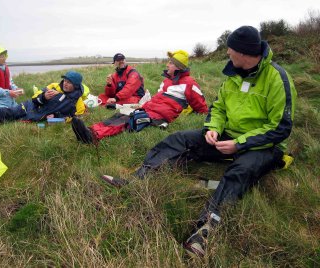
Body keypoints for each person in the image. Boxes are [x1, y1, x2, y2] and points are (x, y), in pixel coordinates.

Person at [100, 26, 297, 258]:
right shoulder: (232, 75)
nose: (228, 54)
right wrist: (213, 128)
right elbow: (218, 108)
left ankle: (207, 228)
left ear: (244, 52)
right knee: (178, 139)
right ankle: (138, 179)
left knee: (240, 170)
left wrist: (239, 143)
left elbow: (280, 128)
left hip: (263, 145)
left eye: (230, 50)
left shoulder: (277, 78)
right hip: (227, 137)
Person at [71, 50, 208, 143]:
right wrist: (109, 85)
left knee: (129, 120)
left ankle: (93, 137)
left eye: (171, 63)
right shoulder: (166, 81)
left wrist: (200, 114)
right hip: (149, 108)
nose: (167, 64)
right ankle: (90, 129)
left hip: (159, 115)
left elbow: (200, 105)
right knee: (119, 115)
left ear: (178, 67)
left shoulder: (189, 83)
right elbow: (110, 93)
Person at [0, 71, 86, 129]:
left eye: (70, 82)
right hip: (28, 107)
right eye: (65, 80)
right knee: (4, 113)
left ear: (75, 85)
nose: (66, 84)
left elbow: (74, 116)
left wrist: (57, 117)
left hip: (37, 117)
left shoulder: (77, 101)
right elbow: (34, 99)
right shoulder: (53, 86)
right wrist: (43, 97)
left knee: (5, 121)